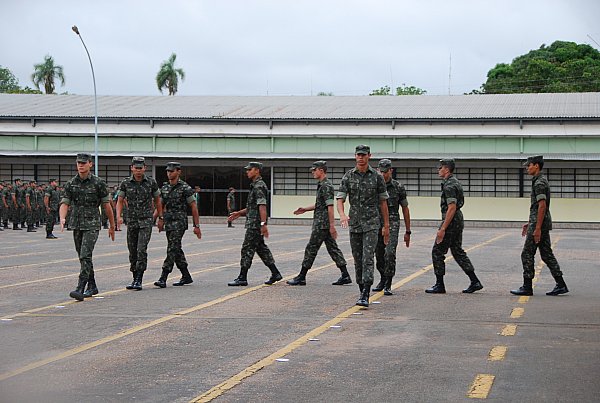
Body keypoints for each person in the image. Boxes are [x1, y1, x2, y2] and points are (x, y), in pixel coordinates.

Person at [336, 145, 390, 307]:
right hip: (355, 225)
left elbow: (383, 203)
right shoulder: (348, 176)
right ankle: (361, 289)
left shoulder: (377, 177)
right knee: (357, 260)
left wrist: (386, 226)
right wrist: (342, 214)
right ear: (355, 156)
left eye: (363, 155)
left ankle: (366, 292)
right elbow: (340, 199)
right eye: (358, 155)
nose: (360, 157)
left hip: (372, 224)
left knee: (367, 259)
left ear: (369, 156)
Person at [60, 153, 115, 301]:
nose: (81, 165)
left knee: (85, 254)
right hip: (76, 223)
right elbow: (65, 202)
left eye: (84, 163)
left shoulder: (98, 183)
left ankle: (80, 287)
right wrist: (62, 217)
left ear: (91, 164)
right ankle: (93, 286)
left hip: (92, 224)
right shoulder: (71, 183)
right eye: (79, 163)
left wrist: (112, 224)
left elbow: (106, 205)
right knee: (83, 256)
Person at [511, 155, 568, 296]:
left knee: (526, 254)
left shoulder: (539, 183)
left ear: (536, 166)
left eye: (529, 165)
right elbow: (538, 207)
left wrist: (536, 228)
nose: (527, 168)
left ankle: (527, 286)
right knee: (547, 254)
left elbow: (542, 206)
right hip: (539, 222)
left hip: (539, 224)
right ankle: (561, 284)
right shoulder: (539, 180)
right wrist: (530, 222)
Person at [287, 160, 352, 286]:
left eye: (314, 170)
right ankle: (345, 275)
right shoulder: (322, 185)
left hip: (322, 225)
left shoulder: (326, 186)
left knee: (311, 248)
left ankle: (301, 276)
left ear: (321, 170)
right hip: (323, 224)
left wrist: (332, 226)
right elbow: (320, 204)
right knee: (333, 249)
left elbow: (330, 207)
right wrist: (305, 209)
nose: (312, 172)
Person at [427, 158, 482, 294]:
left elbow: (451, 207)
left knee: (437, 251)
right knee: (457, 251)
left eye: (440, 168)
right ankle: (475, 281)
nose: (438, 170)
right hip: (457, 219)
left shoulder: (449, 185)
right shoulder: (455, 182)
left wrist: (443, 228)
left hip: (451, 220)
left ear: (446, 169)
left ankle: (439, 285)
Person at [227, 161, 282, 286]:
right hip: (254, 223)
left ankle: (242, 277)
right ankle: (275, 273)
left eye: (249, 169)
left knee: (247, 248)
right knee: (260, 248)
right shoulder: (255, 185)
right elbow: (253, 207)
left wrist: (263, 224)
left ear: (257, 170)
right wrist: (239, 213)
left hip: (255, 225)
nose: (247, 172)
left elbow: (262, 206)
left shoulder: (259, 186)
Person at [116, 157, 163, 291]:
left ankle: (139, 279)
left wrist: (160, 217)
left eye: (140, 168)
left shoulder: (151, 182)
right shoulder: (125, 183)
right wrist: (118, 216)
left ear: (144, 168)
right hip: (131, 221)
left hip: (145, 220)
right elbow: (120, 200)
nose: (138, 170)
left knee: (141, 249)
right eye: (136, 168)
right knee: (132, 251)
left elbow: (158, 200)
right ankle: (134, 275)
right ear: (132, 168)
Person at [154, 162, 202, 288]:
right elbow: (160, 205)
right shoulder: (165, 187)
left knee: (172, 248)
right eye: (168, 171)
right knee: (176, 249)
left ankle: (163, 276)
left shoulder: (185, 188)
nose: (169, 173)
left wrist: (196, 226)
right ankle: (186, 275)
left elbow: (193, 207)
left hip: (179, 223)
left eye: (172, 171)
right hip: (169, 223)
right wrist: (157, 219)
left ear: (178, 172)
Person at [373, 159, 411, 295]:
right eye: (380, 171)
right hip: (377, 222)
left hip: (393, 221)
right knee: (379, 255)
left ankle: (388, 283)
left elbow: (405, 209)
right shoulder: (374, 186)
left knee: (389, 253)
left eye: (385, 171)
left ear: (391, 171)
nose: (383, 174)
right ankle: (382, 278)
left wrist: (408, 231)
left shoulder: (398, 187)